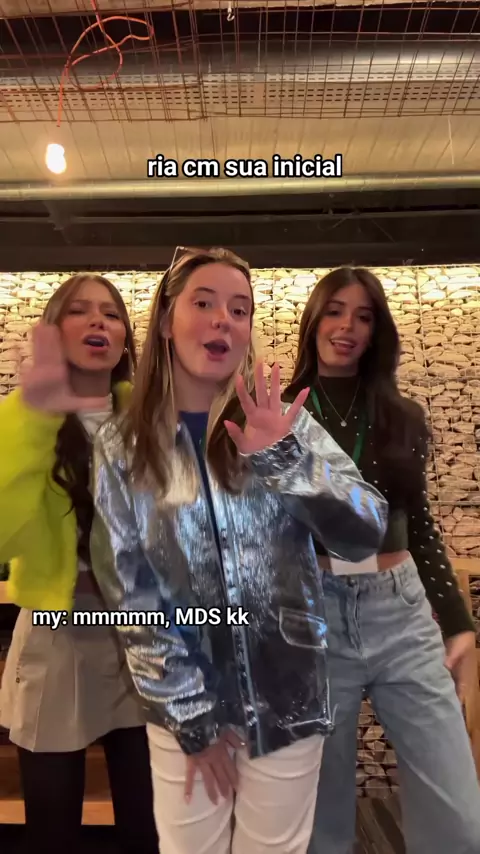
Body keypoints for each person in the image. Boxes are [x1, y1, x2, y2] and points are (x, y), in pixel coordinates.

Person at [88, 247, 388, 854]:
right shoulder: (123, 445)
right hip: (184, 702)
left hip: (287, 698)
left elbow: (365, 531)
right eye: (204, 303)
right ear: (167, 319)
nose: (223, 319)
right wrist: (190, 714)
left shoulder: (282, 421)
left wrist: (283, 457)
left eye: (239, 309)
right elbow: (129, 592)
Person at [283, 266, 480, 854]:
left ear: (376, 332)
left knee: (459, 815)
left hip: (401, 611)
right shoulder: (282, 413)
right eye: (335, 311)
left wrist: (459, 623)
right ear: (313, 320)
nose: (347, 327)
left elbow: (418, 526)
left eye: (363, 316)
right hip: (314, 615)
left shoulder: (401, 415)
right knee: (321, 819)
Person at [0, 274, 159, 854]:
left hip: (145, 638)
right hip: (58, 635)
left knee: (151, 828)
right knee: (52, 831)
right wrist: (35, 417)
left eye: (111, 314)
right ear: (53, 330)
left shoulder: (149, 419)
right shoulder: (20, 419)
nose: (98, 322)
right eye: (80, 311)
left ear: (125, 340)